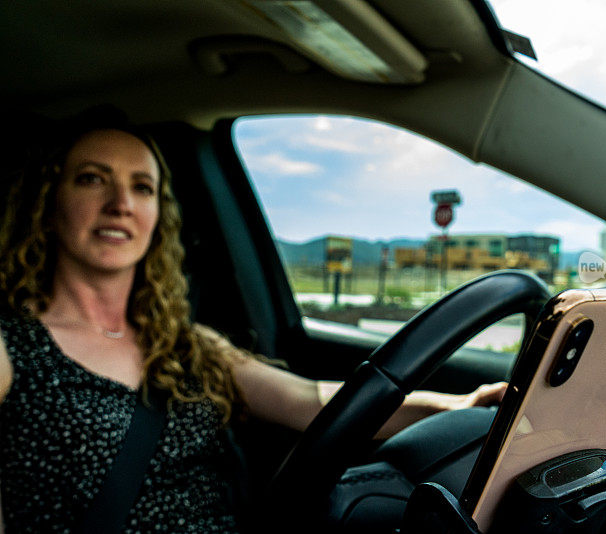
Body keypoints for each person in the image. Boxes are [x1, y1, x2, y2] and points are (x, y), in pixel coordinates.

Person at [0, 111, 506, 533]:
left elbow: (310, 402)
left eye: (142, 187)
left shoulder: (185, 344)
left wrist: (457, 406)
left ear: (158, 214)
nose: (121, 204)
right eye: (92, 178)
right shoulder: (11, 349)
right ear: (48, 201)